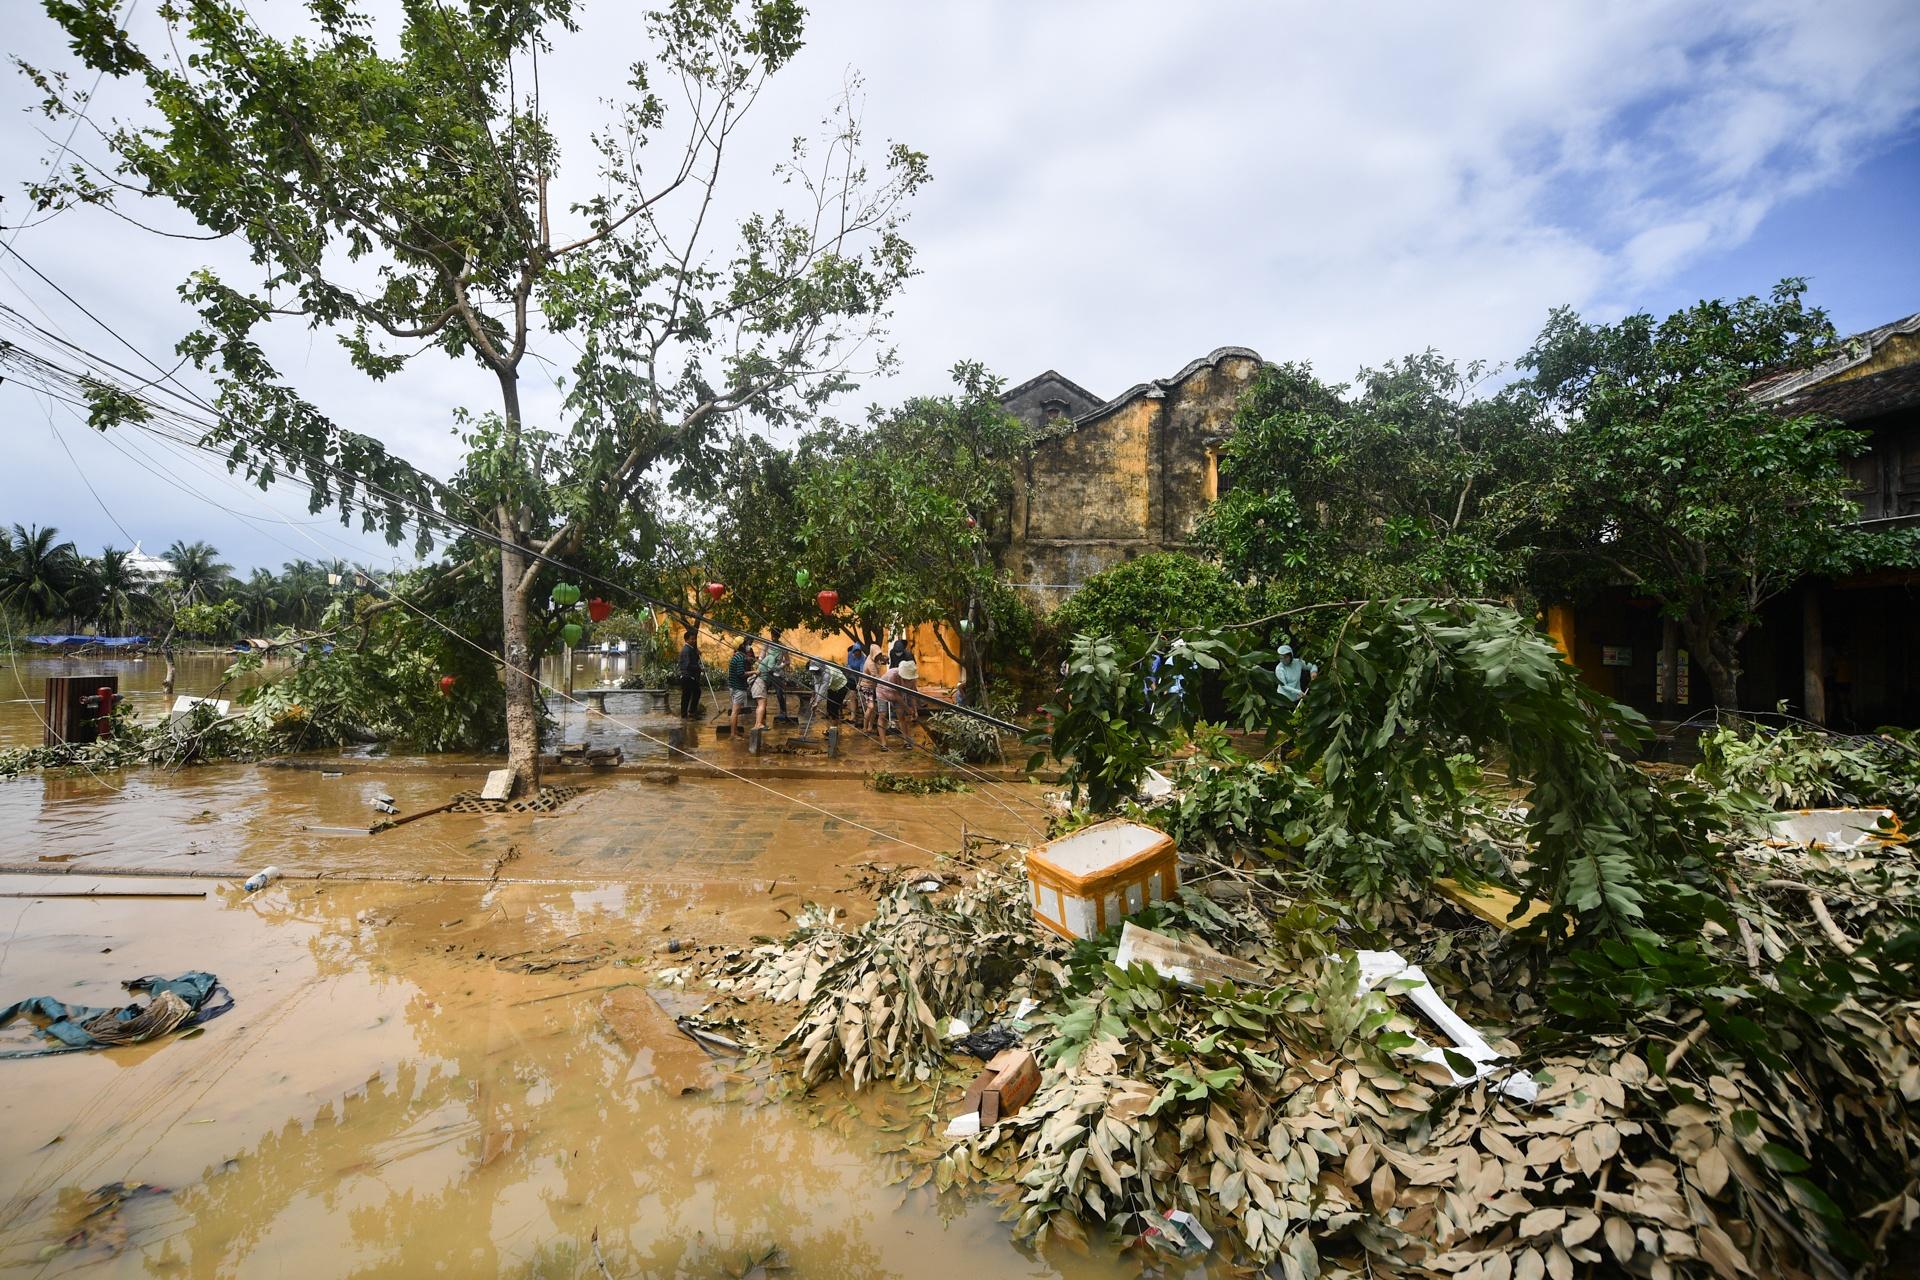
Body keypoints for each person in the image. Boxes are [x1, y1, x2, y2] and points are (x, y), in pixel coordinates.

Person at [880, 655, 920, 749]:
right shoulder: (892, 675)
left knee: (901, 715)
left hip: (898, 694)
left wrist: (914, 710)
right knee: (883, 715)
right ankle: (883, 743)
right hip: (883, 691)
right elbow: (896, 696)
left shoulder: (912, 680)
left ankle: (906, 741)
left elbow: (912, 694)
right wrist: (908, 708)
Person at [799, 659, 848, 736]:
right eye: (812, 671)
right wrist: (814, 697)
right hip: (832, 687)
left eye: (815, 670)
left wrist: (817, 703)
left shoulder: (827, 674)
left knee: (834, 709)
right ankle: (832, 730)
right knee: (829, 709)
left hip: (841, 687)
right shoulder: (816, 672)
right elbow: (817, 684)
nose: (814, 672)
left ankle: (834, 731)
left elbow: (823, 689)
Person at [727, 638, 756, 737]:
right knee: (735, 712)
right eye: (745, 644)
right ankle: (733, 734)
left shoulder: (737, 656)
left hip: (734, 687)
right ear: (741, 646)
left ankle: (735, 731)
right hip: (738, 688)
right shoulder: (740, 658)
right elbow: (741, 674)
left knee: (736, 711)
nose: (747, 645)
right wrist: (754, 672)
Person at [677, 629, 703, 718]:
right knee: (687, 696)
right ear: (686, 640)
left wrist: (697, 655)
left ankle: (691, 712)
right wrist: (699, 669)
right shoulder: (686, 650)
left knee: (696, 692)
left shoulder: (691, 649)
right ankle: (685, 714)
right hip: (687, 676)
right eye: (692, 639)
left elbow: (693, 661)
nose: (694, 640)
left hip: (690, 676)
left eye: (694, 639)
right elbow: (688, 665)